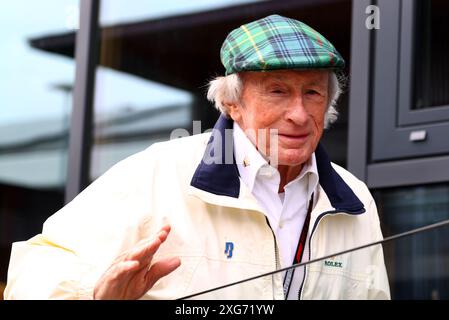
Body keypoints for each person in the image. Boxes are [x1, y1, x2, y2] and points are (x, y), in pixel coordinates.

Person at [4, 14, 390, 300]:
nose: (300, 114)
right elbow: (32, 274)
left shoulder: (354, 201)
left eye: (313, 93)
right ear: (232, 104)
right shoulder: (158, 173)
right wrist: (95, 297)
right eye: (277, 91)